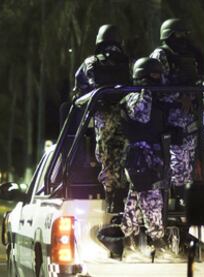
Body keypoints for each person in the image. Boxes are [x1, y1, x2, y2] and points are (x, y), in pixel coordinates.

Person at [74, 24, 130, 213]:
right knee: (125, 155)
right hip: (127, 115)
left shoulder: (90, 62)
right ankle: (124, 195)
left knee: (106, 157)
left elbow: (79, 92)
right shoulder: (127, 62)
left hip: (104, 116)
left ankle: (113, 198)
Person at [150, 18, 202, 208]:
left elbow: (194, 82)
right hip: (171, 118)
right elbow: (156, 87)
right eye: (178, 35)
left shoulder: (186, 56)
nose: (182, 39)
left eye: (184, 35)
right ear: (169, 35)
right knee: (177, 159)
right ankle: (179, 197)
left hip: (188, 119)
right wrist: (181, 97)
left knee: (188, 160)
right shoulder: (161, 55)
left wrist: (193, 96)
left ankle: (184, 197)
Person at [120, 57, 169, 256]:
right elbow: (141, 116)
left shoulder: (156, 97)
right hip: (140, 155)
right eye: (154, 75)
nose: (158, 79)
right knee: (149, 194)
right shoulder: (135, 97)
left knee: (137, 195)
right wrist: (148, 92)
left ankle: (129, 239)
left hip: (152, 154)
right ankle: (157, 240)